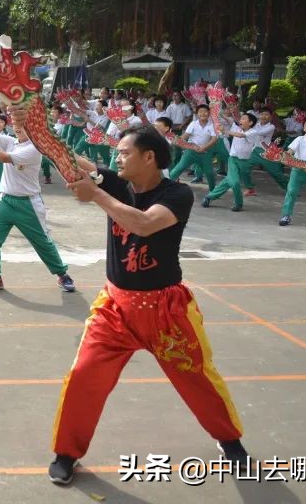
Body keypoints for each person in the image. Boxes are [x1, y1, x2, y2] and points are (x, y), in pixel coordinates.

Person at [44, 125, 246, 485]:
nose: (116, 158)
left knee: (197, 377)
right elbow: (72, 161)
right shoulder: (116, 183)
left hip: (165, 310)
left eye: (124, 153)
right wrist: (35, 127)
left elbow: (145, 224)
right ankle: (67, 452)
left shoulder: (177, 194)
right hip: (115, 307)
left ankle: (230, 442)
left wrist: (97, 196)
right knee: (83, 376)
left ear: (149, 157)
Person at [0, 118, 75, 293]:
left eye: (23, 125)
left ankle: (62, 274)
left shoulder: (34, 149)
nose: (18, 128)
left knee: (42, 242)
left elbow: (3, 157)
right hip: (5, 201)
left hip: (28, 203)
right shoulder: (11, 141)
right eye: (16, 124)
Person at [203, 112, 261, 212]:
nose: (241, 120)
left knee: (228, 181)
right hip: (233, 159)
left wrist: (225, 130)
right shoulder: (236, 128)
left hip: (245, 162)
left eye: (244, 119)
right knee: (234, 182)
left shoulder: (253, 132)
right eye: (241, 119)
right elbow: (229, 121)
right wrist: (218, 112)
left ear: (250, 123)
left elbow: (240, 135)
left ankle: (209, 197)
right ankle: (238, 204)